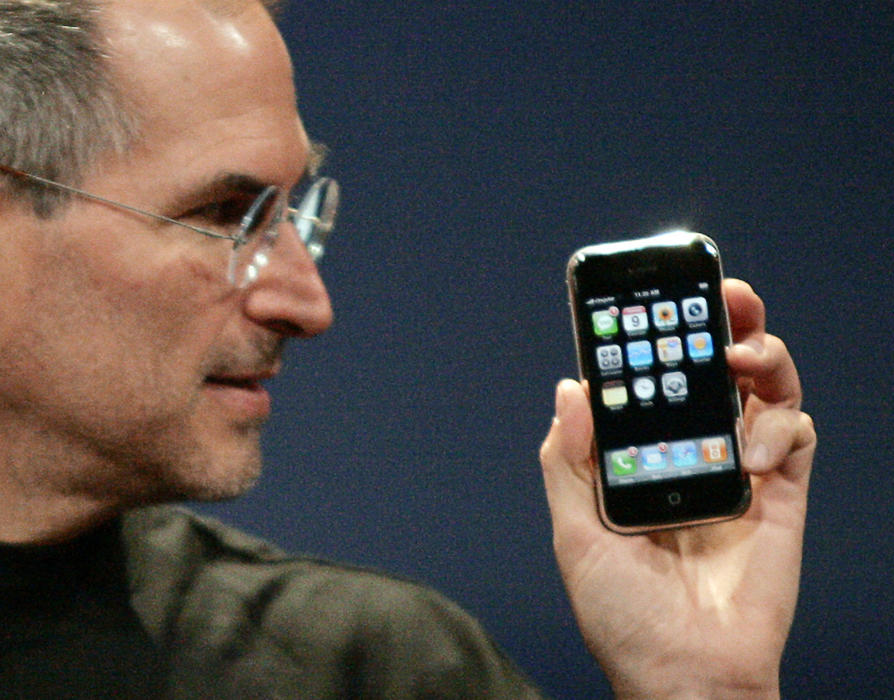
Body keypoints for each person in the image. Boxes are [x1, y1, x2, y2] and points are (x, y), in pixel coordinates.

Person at [0, 0, 816, 697]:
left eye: (295, 214)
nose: (307, 304)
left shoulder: (374, 672)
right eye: (224, 214)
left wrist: (703, 685)